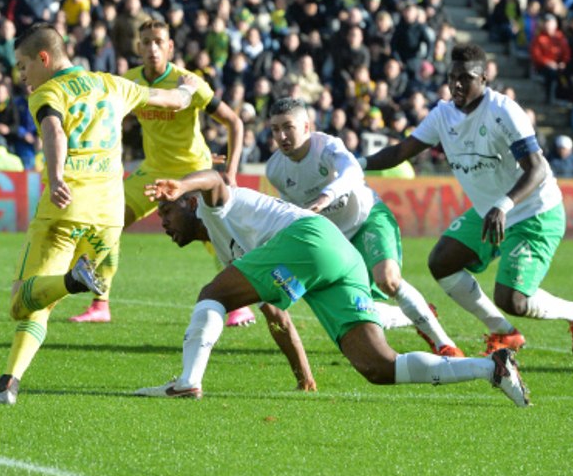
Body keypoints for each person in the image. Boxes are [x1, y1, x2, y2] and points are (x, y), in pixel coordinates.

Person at [133, 170, 530, 407]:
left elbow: (215, 179)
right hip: (339, 255)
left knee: (212, 296)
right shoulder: (229, 251)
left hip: (309, 238)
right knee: (379, 367)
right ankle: (490, 367)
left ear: (187, 204)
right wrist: (302, 372)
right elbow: (276, 314)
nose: (163, 222)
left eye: (167, 210)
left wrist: (180, 183)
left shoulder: (211, 207)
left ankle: (186, 383)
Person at [0, 23, 199, 405]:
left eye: (23, 66)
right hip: (109, 218)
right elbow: (172, 100)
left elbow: (54, 131)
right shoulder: (112, 84)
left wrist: (55, 175)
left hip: (66, 208)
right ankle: (9, 381)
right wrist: (188, 88)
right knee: (44, 300)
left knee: (21, 301)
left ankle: (73, 281)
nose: (22, 76)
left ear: (44, 58)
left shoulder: (48, 92)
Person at [362, 43, 573, 357]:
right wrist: (357, 163)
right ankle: (503, 332)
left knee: (512, 299)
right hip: (492, 210)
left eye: (466, 78)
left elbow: (537, 168)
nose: (456, 84)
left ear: (483, 78)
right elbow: (400, 152)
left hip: (534, 212)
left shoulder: (503, 111)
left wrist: (503, 205)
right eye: (452, 77)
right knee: (442, 262)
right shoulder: (443, 114)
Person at [68, 20, 254, 327]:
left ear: (170, 47)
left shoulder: (190, 83)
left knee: (216, 235)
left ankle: (242, 304)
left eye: (159, 42)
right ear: (138, 47)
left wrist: (230, 173)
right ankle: (100, 303)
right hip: (152, 171)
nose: (153, 48)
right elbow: (100, 112)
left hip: (193, 171)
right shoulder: (130, 81)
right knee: (109, 222)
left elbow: (234, 122)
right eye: (146, 42)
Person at [266, 98, 462, 356]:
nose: (281, 136)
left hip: (367, 217)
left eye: (287, 127)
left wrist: (327, 195)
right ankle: (418, 314)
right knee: (358, 308)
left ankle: (445, 346)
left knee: (388, 280)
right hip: (335, 240)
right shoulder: (275, 169)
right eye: (275, 129)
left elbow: (353, 172)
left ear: (306, 126)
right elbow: (291, 213)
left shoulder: (327, 146)